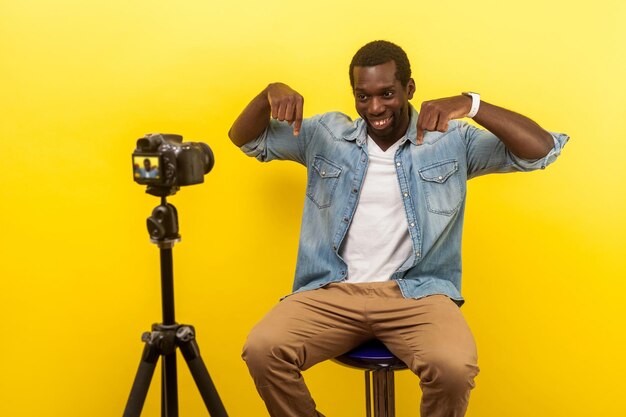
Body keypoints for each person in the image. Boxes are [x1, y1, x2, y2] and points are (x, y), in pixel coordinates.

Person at [228, 40, 568, 417]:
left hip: (417, 293)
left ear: (409, 90)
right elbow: (246, 139)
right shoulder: (324, 135)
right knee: (263, 349)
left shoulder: (451, 140)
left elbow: (541, 150)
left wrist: (471, 105)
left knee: (454, 369)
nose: (375, 108)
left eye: (387, 94)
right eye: (363, 96)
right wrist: (266, 95)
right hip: (332, 291)